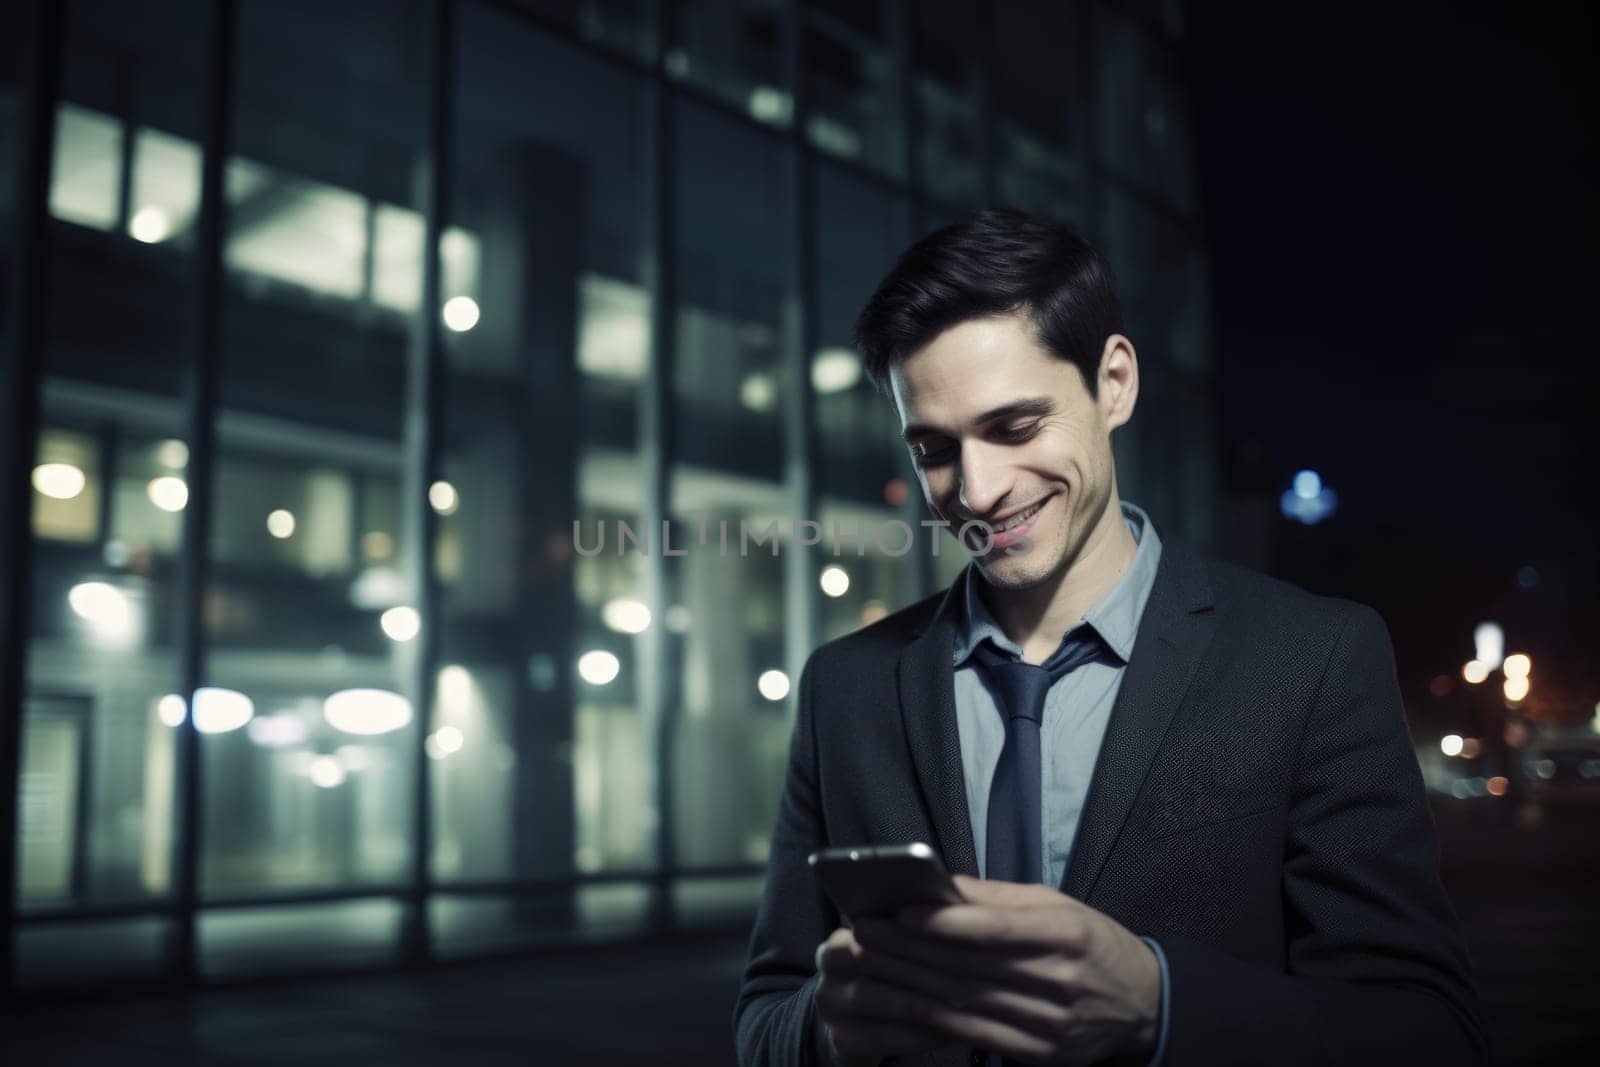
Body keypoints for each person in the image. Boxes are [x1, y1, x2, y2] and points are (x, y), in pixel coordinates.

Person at [732, 210, 1486, 1066]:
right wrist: (831, 1030)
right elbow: (764, 1017)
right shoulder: (845, 688)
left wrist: (1160, 1005)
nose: (976, 491)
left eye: (1015, 427)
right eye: (935, 448)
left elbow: (1432, 1032)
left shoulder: (1312, 660)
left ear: (1115, 382)